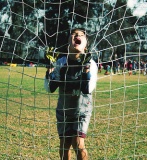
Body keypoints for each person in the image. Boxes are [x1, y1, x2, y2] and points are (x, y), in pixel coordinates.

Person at [44, 28, 98, 160]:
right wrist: (50, 71)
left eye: (81, 35)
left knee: (78, 144)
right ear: (69, 43)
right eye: (74, 35)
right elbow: (49, 88)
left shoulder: (91, 63)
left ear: (86, 45)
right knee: (65, 144)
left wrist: (85, 71)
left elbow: (87, 89)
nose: (77, 36)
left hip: (82, 110)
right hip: (64, 109)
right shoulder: (61, 62)